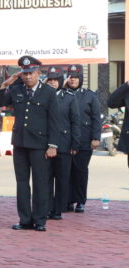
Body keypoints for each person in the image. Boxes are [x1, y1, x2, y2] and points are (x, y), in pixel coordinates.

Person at [0, 56, 60, 232]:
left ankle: (39, 220)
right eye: (25, 73)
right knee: (22, 182)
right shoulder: (16, 90)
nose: (28, 77)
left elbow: (54, 121)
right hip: (20, 143)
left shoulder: (48, 92)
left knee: (40, 182)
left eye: (31, 73)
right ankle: (24, 219)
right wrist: (4, 85)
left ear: (38, 73)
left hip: (40, 144)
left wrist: (53, 145)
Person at [44, 66, 80, 220]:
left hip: (64, 144)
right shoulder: (41, 96)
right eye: (50, 79)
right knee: (45, 178)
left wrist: (75, 144)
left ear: (61, 80)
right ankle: (47, 207)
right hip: (45, 144)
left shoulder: (69, 97)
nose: (52, 83)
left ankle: (58, 209)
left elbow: (75, 122)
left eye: (55, 80)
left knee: (62, 178)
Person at [67, 64, 100, 213]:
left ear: (80, 78)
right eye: (70, 77)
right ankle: (67, 200)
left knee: (80, 171)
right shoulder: (62, 94)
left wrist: (95, 137)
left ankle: (80, 201)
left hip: (85, 139)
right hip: (66, 139)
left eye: (75, 77)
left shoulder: (90, 96)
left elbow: (96, 118)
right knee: (66, 171)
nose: (72, 80)